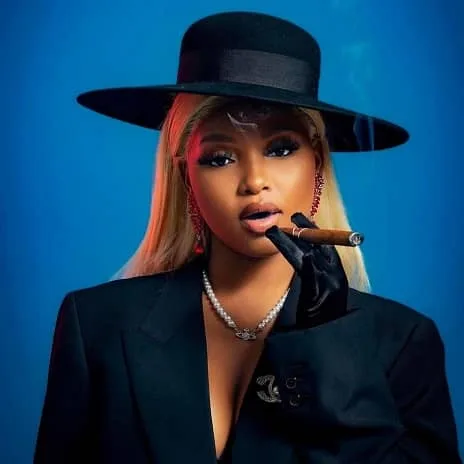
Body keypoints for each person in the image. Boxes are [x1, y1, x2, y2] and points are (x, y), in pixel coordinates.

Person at [34, 11, 461, 464]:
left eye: (281, 149)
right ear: (186, 176)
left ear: (317, 163)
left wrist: (332, 347)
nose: (255, 181)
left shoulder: (400, 343)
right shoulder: (96, 326)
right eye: (219, 157)